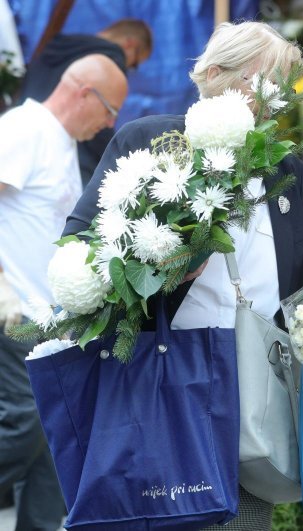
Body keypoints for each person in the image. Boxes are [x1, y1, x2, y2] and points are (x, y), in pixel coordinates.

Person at [62, 21, 303, 531]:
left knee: (242, 521)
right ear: (215, 74)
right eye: (265, 82)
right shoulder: (150, 140)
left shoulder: (286, 169)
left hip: (249, 399)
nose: (275, 100)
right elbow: (82, 244)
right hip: (159, 389)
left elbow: (294, 279)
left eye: (282, 88)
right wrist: (160, 268)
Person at [0, 53, 127, 531]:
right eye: (110, 110)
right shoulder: (25, 129)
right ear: (83, 94)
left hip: (48, 315)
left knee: (58, 438)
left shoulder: (56, 141)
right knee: (26, 426)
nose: (109, 124)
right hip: (14, 310)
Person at [17, 18, 152, 186]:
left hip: (32, 138)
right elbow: (100, 125)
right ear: (130, 44)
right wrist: (115, 160)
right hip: (75, 159)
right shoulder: (110, 62)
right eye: (135, 64)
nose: (109, 122)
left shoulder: (55, 45)